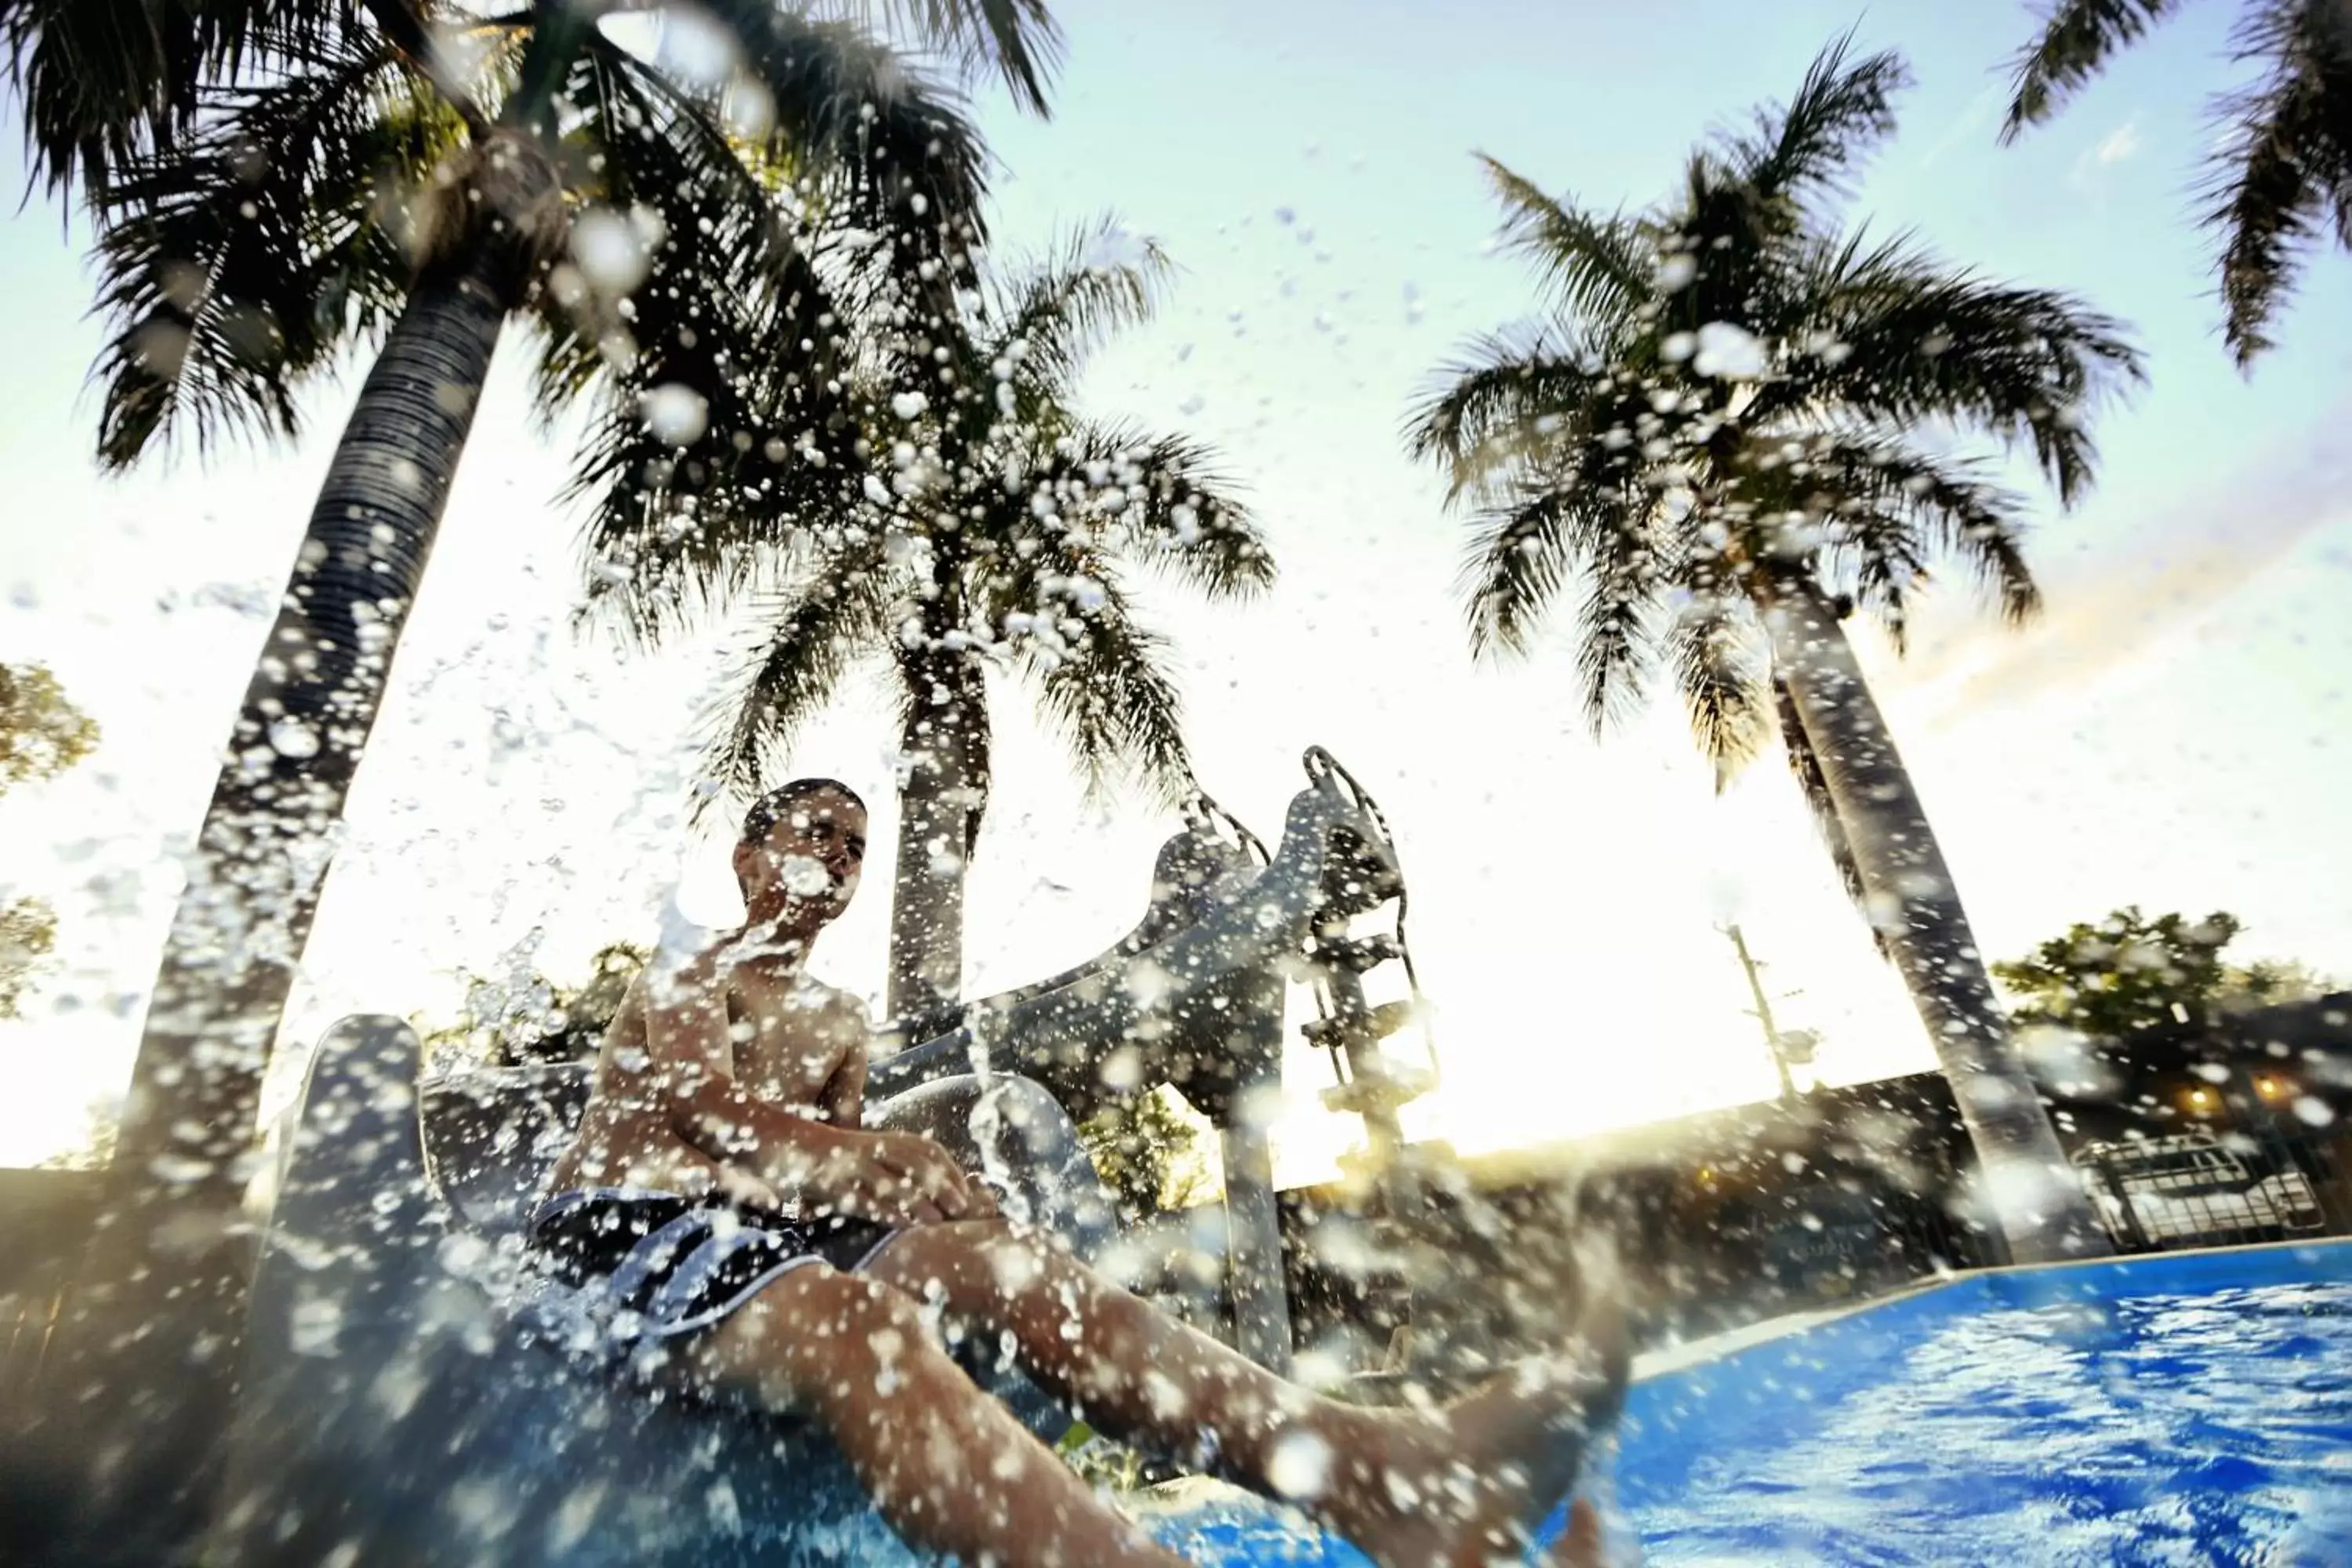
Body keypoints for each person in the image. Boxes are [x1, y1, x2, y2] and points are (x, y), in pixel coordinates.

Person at [537, 778, 1628, 1568]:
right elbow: (706, 1113)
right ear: (749, 856)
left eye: (854, 842)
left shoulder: (836, 1016)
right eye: (810, 830)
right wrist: (881, 1159)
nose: (833, 851)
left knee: (1012, 1261)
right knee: (854, 1323)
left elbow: (815, 1178)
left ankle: (1391, 1481)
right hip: (630, 1227)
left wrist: (914, 1192)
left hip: (759, 1241)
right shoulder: (694, 962)